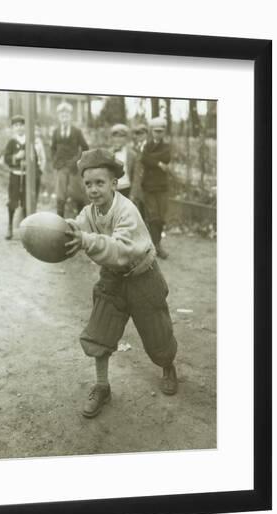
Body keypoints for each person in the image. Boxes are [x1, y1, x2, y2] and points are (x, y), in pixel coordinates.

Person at [64, 148, 178, 418]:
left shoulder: (127, 210)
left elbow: (121, 250)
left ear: (114, 184)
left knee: (157, 334)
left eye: (100, 183)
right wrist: (61, 229)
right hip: (113, 278)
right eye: (88, 184)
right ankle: (102, 386)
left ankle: (168, 366)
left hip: (143, 275)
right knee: (99, 330)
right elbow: (77, 226)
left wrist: (86, 241)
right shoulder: (90, 211)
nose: (93, 190)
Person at [51, 101, 89, 217]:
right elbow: (52, 148)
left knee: (77, 194)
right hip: (61, 167)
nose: (64, 118)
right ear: (59, 117)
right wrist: (55, 161)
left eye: (66, 115)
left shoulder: (76, 131)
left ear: (70, 117)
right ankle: (59, 221)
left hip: (74, 168)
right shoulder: (56, 132)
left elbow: (85, 148)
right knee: (60, 195)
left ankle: (81, 221)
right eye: (62, 115)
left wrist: (77, 161)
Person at [141, 117, 171, 259]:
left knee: (161, 217)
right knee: (153, 217)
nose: (158, 134)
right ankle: (156, 247)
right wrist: (158, 163)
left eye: (161, 131)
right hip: (148, 186)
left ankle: (156, 245)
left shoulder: (167, 147)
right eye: (155, 131)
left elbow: (166, 157)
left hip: (161, 186)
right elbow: (143, 159)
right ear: (151, 132)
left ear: (164, 132)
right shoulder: (146, 146)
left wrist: (152, 159)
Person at [109, 124, 136, 199]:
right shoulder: (108, 154)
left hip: (126, 188)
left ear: (126, 138)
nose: (118, 139)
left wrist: (133, 194)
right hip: (112, 190)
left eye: (121, 136)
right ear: (112, 138)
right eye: (116, 137)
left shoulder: (132, 154)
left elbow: (135, 176)